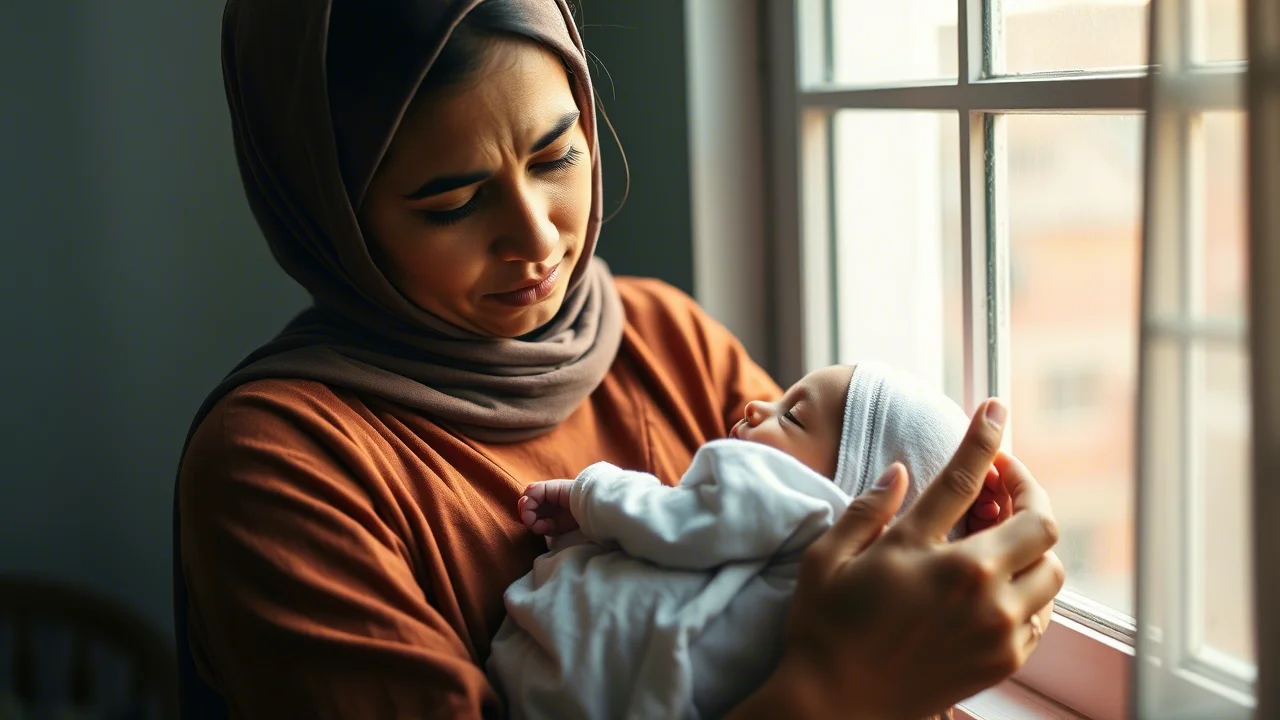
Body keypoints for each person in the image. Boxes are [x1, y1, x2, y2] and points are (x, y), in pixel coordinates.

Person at [175, 1, 1064, 718]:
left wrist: (958, 580)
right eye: (451, 202)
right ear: (329, 217)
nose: (536, 238)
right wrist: (834, 693)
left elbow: (845, 573)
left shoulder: (664, 339)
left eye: (558, 154)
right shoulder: (282, 467)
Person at [488, 362, 1006, 720]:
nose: (757, 403)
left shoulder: (784, 499)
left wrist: (588, 492)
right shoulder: (862, 622)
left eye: (794, 416)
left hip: (558, 673)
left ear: (850, 491)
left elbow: (666, 519)